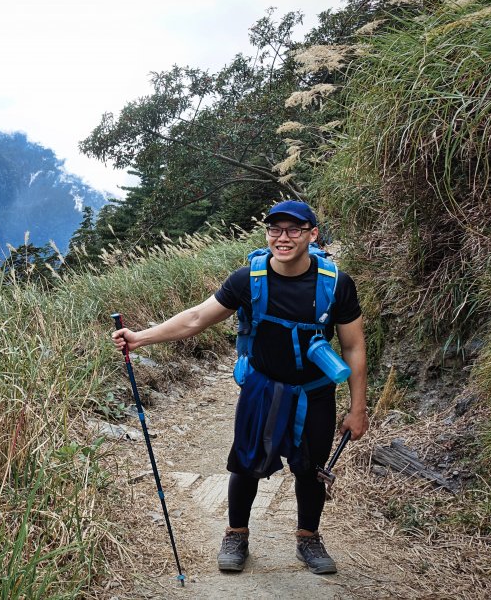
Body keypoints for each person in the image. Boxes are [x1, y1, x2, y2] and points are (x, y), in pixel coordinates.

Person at [111, 200, 368, 575]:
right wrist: (140, 338)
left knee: (311, 469)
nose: (283, 237)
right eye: (275, 229)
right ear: (267, 234)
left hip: (314, 391)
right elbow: (197, 318)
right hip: (261, 388)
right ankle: (236, 534)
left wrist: (357, 408)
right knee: (245, 464)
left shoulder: (335, 284)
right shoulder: (249, 279)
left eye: (294, 229)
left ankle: (308, 538)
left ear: (312, 235)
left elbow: (353, 346)